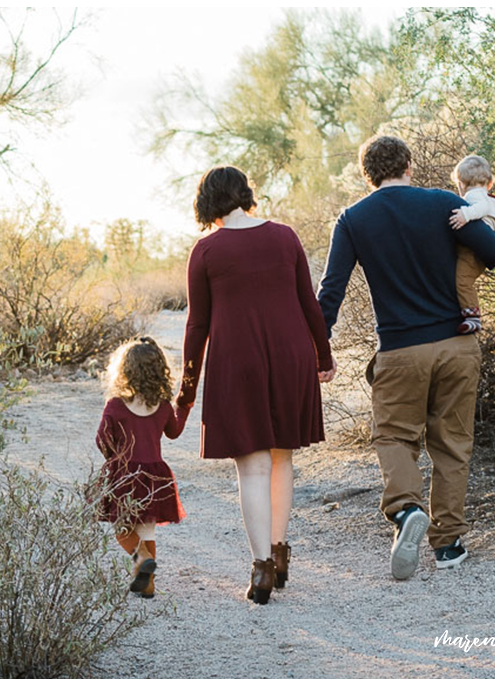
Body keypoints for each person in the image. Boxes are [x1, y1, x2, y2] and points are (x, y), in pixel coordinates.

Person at [316, 135, 495, 581]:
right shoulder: (443, 203)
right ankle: (449, 545)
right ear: (409, 164)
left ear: (367, 174)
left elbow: (331, 291)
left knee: (393, 437)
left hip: (400, 350)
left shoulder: (353, 219)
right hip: (457, 345)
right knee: (452, 443)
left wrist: (320, 348)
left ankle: (406, 512)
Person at [177, 166, 336, 605]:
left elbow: (197, 326)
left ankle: (262, 567)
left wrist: (187, 388)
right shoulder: (285, 236)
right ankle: (280, 555)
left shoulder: (206, 250)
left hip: (238, 362)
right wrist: (323, 356)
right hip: (291, 358)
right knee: (282, 457)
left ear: (207, 202)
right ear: (245, 194)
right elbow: (309, 303)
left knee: (252, 467)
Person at [96, 336, 189, 599]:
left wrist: (114, 459)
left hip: (125, 474)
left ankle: (141, 558)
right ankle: (147, 582)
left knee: (122, 529)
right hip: (155, 476)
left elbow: (102, 440)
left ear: (124, 370)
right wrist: (183, 407)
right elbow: (174, 431)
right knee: (147, 528)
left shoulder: (115, 405)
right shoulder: (161, 407)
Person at [448, 155, 495, 334]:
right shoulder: (491, 197)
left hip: (476, 252)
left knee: (462, 281)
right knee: (464, 278)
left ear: (461, 184)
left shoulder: (475, 196)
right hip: (491, 248)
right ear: (490, 183)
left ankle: (472, 316)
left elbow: (481, 208)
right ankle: (468, 312)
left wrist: (465, 215)